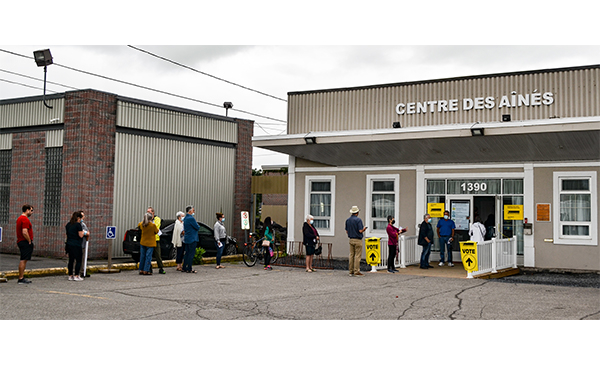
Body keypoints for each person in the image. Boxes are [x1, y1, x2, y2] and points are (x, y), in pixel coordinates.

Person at [345, 206, 367, 277]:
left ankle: (350, 271)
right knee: (357, 256)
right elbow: (360, 230)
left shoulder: (347, 220)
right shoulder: (358, 220)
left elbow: (346, 231)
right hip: (358, 239)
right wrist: (364, 229)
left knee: (351, 255)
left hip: (351, 239)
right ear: (357, 213)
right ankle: (356, 271)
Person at [16, 204, 34, 284]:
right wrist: (29, 240)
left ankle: (21, 277)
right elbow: (24, 231)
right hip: (24, 241)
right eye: (31, 210)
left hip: (20, 241)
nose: (32, 212)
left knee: (23, 259)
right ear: (27, 210)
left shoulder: (19, 219)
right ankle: (21, 277)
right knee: (23, 259)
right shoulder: (25, 219)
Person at [65, 211, 85, 281]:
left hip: (69, 244)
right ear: (78, 218)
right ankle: (76, 275)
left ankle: (70, 275)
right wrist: (84, 232)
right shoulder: (78, 225)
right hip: (76, 244)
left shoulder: (68, 224)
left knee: (71, 260)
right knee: (78, 260)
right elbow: (80, 235)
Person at [182, 205, 200, 273]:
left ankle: (184, 267)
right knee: (191, 254)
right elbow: (197, 227)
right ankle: (189, 267)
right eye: (193, 210)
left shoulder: (185, 218)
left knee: (187, 253)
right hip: (192, 238)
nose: (194, 212)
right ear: (190, 211)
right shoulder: (191, 218)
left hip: (187, 238)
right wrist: (198, 225)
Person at [147, 207, 165, 274]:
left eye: (149, 212)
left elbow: (155, 227)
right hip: (149, 239)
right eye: (147, 212)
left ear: (153, 212)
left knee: (158, 255)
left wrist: (150, 221)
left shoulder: (157, 219)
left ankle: (161, 268)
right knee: (149, 255)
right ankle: (149, 268)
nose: (148, 213)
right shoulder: (146, 219)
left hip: (156, 239)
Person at [78, 211, 90, 278]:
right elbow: (83, 233)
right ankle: (78, 272)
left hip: (83, 244)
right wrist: (86, 233)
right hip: (80, 244)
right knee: (78, 259)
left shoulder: (83, 224)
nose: (83, 217)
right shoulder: (79, 225)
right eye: (82, 216)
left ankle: (82, 271)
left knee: (82, 259)